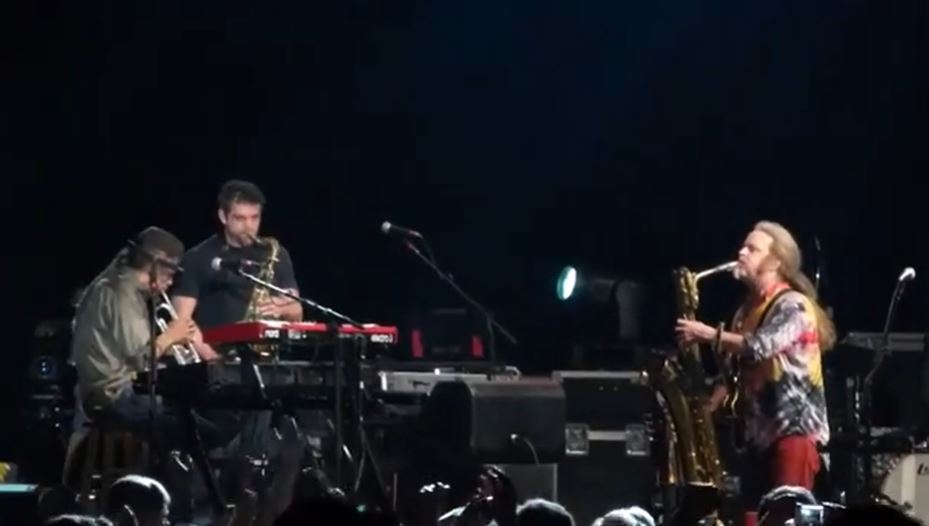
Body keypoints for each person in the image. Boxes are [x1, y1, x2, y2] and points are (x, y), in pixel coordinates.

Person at [675, 220, 836, 501]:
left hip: (794, 436)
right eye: (743, 247)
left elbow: (760, 346)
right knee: (752, 516)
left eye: (752, 249)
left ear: (775, 262)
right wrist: (705, 408)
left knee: (784, 514)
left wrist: (707, 334)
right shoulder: (744, 313)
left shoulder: (793, 305)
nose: (741, 253)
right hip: (758, 440)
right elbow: (733, 373)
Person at [69, 226, 226, 449]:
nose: (170, 283)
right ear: (155, 266)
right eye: (169, 275)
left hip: (111, 391)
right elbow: (142, 359)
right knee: (207, 431)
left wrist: (175, 342)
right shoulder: (122, 292)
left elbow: (129, 351)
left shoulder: (114, 284)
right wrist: (170, 336)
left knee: (197, 413)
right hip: (115, 395)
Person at [171, 179, 302, 328]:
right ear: (223, 216)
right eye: (240, 218)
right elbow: (180, 322)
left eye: (255, 217)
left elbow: (297, 313)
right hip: (217, 342)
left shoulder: (277, 253)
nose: (249, 226)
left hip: (268, 341)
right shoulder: (196, 257)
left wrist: (286, 309)